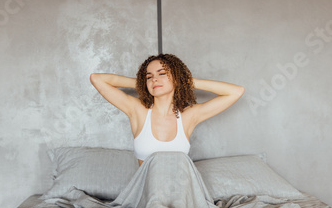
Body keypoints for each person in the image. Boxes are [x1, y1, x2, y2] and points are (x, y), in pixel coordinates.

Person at [90, 53, 244, 166]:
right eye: (149, 76)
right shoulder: (137, 110)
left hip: (181, 192)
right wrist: (143, 83)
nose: (154, 79)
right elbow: (96, 78)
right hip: (148, 195)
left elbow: (236, 91)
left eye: (162, 74)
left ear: (176, 78)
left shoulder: (189, 115)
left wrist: (184, 80)